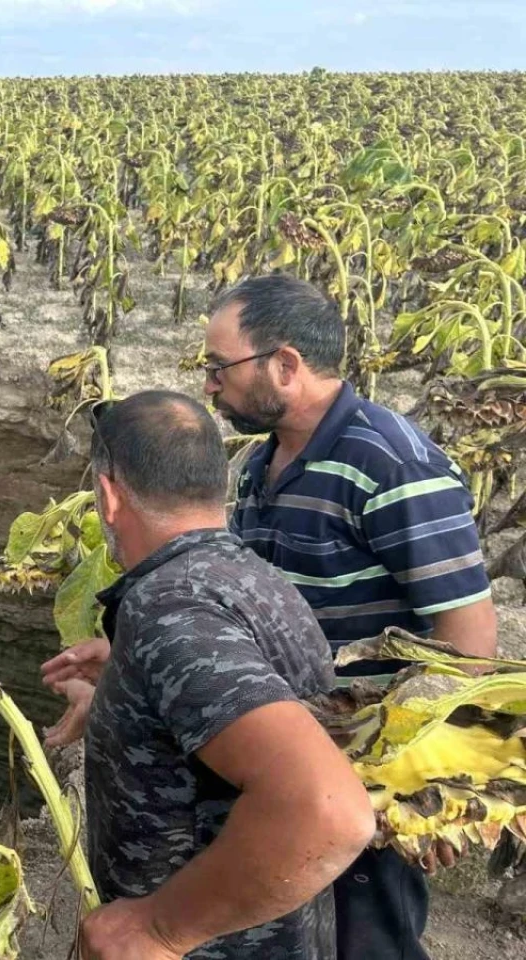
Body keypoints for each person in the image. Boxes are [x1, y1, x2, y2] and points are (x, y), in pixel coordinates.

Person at [199, 273, 496, 960]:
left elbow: (469, 636)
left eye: (220, 367)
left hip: (367, 761)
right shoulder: (260, 464)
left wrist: (428, 781)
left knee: (369, 936)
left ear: (286, 364)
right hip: (289, 750)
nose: (211, 385)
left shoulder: (391, 462)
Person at [46, 390, 375, 960]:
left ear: (107, 495)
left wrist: (157, 928)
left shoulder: (172, 611)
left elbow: (327, 808)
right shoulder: (251, 576)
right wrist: (127, 680)